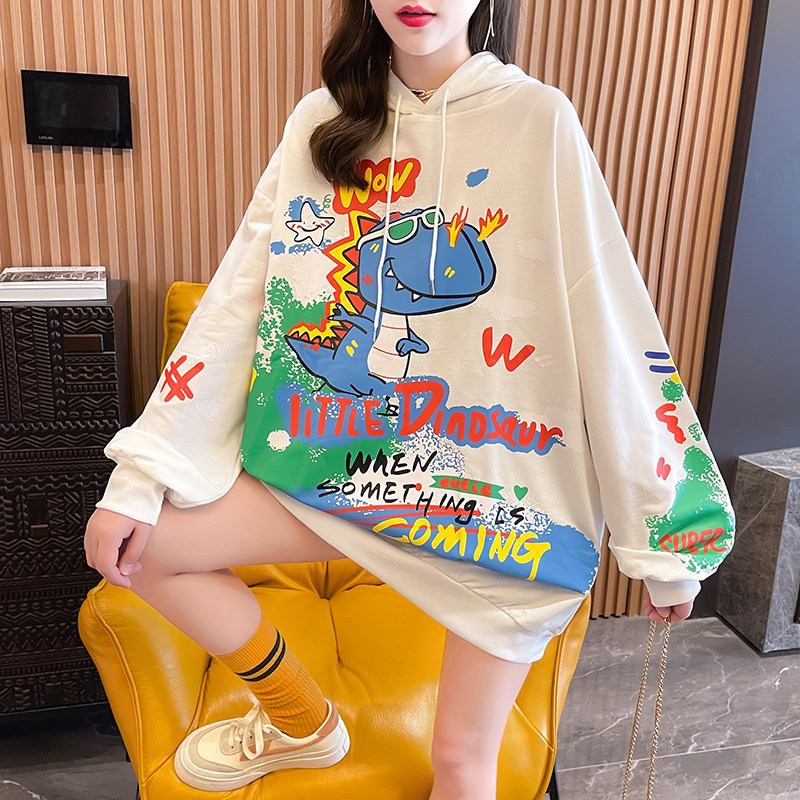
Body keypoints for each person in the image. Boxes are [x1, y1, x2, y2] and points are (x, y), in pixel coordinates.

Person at [83, 0, 736, 796]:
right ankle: (301, 720)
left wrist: (665, 536)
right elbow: (239, 300)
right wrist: (141, 478)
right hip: (347, 472)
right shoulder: (323, 122)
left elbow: (608, 314)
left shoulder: (539, 120)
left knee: (462, 761)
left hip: (501, 502)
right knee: (142, 552)